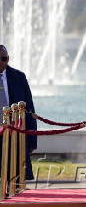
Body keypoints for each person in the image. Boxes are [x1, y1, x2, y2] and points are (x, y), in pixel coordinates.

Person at [0, 45, 37, 180]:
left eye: (3, 59)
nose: (1, 62)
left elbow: (30, 108)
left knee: (16, 176)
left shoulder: (19, 77)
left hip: (15, 132)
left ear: (8, 59)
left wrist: (33, 139)